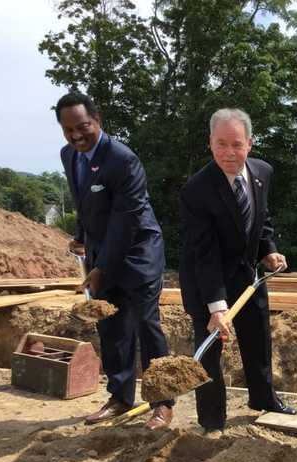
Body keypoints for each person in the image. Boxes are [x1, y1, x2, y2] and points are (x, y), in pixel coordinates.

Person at [56, 92, 173, 430]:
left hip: (138, 252)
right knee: (111, 326)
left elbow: (126, 219)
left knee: (146, 325)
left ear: (99, 119)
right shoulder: (69, 156)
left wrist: (100, 268)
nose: (76, 136)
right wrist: (81, 236)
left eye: (83, 127)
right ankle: (121, 397)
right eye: (68, 131)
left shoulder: (123, 159)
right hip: (101, 253)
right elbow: (85, 202)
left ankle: (162, 403)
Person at [179, 108, 297, 435]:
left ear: (250, 143)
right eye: (221, 144)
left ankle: (263, 399)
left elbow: (262, 221)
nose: (229, 153)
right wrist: (217, 308)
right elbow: (205, 254)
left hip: (248, 276)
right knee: (211, 353)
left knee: (258, 340)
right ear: (210, 144)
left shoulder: (262, 172)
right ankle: (212, 419)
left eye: (236, 144)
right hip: (208, 283)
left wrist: (269, 252)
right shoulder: (196, 191)